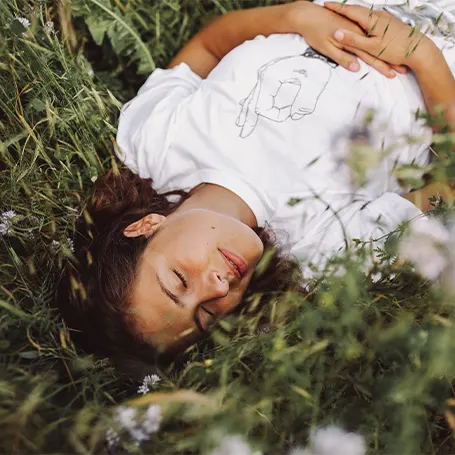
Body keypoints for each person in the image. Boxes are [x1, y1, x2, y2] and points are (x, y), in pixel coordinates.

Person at [55, 0, 455, 377]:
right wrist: (425, 57)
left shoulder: (153, 143)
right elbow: (448, 188)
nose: (216, 288)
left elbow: (209, 46)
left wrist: (294, 16)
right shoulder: (322, 250)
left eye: (178, 280)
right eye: (207, 315)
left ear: (145, 227)